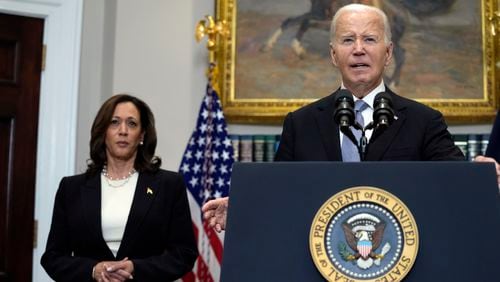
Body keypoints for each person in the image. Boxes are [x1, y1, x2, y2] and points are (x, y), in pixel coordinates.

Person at [202, 3, 497, 230]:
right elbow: (283, 193)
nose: (358, 49)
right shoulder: (301, 123)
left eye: (369, 39)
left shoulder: (424, 121)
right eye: (347, 40)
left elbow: (455, 183)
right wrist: (244, 209)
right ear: (333, 54)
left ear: (388, 51)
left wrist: (483, 176)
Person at [41, 95, 198, 281]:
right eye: (114, 122)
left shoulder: (169, 185)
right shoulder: (71, 188)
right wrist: (93, 270)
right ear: (103, 132)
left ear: (142, 135)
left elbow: (184, 254)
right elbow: (53, 257)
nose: (123, 131)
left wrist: (135, 268)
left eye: (132, 124)